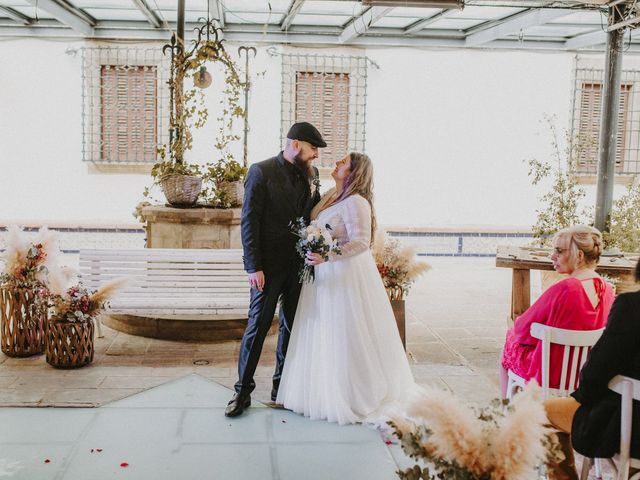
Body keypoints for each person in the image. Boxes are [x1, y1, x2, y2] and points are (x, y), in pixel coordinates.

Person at [276, 152, 415, 425]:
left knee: (344, 332)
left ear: (353, 172)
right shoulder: (333, 194)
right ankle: (321, 392)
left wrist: (326, 255)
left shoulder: (357, 202)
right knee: (323, 331)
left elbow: (362, 242)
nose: (338, 163)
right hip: (324, 275)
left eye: (343, 162)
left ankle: (353, 394)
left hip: (343, 274)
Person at [225, 122, 325, 417]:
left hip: (299, 267)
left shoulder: (313, 175)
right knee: (257, 329)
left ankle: (281, 389)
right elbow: (249, 222)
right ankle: (242, 393)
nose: (316, 155)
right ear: (295, 144)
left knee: (292, 329)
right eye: (313, 148)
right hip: (267, 269)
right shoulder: (261, 171)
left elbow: (313, 214)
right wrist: (253, 267)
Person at [544, 258, 640, 480]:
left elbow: (596, 371)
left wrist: (582, 396)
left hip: (628, 425)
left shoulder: (631, 306)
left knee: (537, 412)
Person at [500, 225, 615, 398]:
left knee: (509, 341)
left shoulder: (564, 289)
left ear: (579, 255)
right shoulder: (608, 290)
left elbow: (521, 330)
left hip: (549, 375)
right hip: (586, 373)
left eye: (559, 251)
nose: (552, 256)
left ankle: (508, 414)